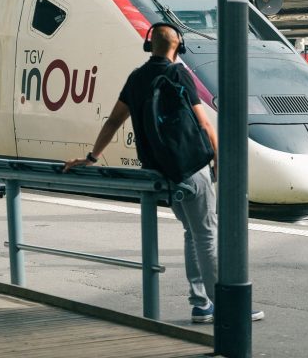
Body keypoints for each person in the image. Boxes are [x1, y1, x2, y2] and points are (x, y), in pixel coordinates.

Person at [63, 23, 264, 323]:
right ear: (177, 46)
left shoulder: (136, 77)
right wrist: (219, 159)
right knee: (207, 235)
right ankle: (227, 306)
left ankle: (201, 303)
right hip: (192, 167)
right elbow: (204, 124)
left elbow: (113, 121)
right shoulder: (179, 73)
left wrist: (92, 156)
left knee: (192, 233)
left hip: (162, 174)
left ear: (150, 45)